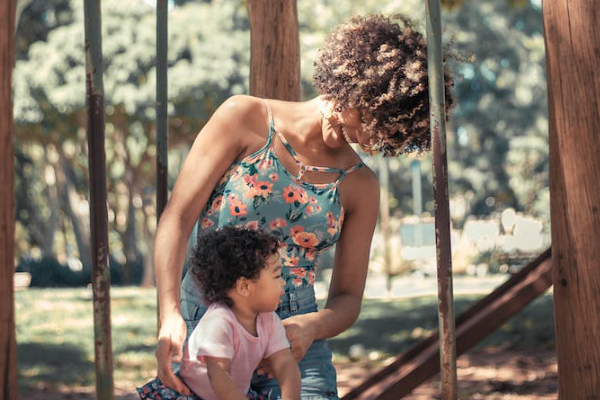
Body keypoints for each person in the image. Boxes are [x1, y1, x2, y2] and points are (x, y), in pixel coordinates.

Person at [154, 13, 454, 399]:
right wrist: (169, 314)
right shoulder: (244, 118)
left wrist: (311, 327)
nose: (363, 137)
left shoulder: (361, 184)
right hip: (206, 323)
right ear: (352, 81)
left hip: (295, 338)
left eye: (379, 134)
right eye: (362, 117)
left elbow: (347, 298)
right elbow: (177, 218)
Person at [139, 227, 300, 400]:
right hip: (193, 395)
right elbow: (219, 376)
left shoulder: (269, 320)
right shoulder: (219, 322)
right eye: (277, 276)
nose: (283, 282)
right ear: (244, 287)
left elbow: (285, 363)